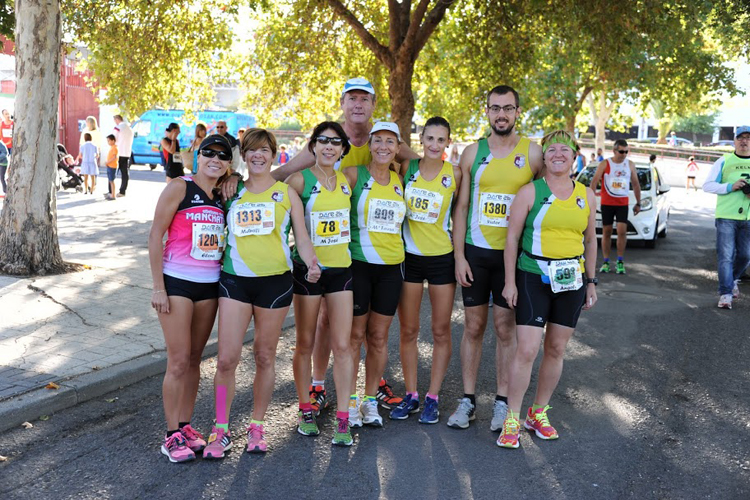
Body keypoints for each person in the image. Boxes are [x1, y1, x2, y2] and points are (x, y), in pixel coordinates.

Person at [219, 78, 418, 413]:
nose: (358, 105)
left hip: (354, 253)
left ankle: (364, 388)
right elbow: (281, 172)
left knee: (357, 332)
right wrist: (241, 179)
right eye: (352, 99)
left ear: (372, 104)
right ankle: (316, 385)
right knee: (317, 329)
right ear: (342, 103)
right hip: (304, 261)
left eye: (364, 100)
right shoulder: (325, 138)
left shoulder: (379, 140)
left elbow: (421, 162)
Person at [203, 129, 321, 458]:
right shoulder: (231, 189)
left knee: (264, 357)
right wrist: (230, 176)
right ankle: (221, 428)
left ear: (274, 154)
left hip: (275, 284)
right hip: (235, 281)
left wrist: (311, 261)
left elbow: (303, 236)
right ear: (243, 154)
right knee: (226, 359)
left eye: (264, 150)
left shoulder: (286, 194)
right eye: (251, 150)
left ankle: (257, 425)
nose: (258, 155)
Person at [496, 130, 598, 449]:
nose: (557, 154)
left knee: (555, 349)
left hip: (571, 280)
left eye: (564, 150)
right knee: (527, 349)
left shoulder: (586, 195)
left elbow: (592, 240)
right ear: (543, 156)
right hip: (532, 276)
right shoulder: (530, 192)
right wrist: (510, 282)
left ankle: (538, 413)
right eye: (550, 149)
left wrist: (591, 281)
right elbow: (511, 239)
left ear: (574, 156)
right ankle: (511, 418)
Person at [451, 85, 543, 431]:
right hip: (477, 253)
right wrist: (459, 256)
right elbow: (460, 209)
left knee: (506, 328)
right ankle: (468, 400)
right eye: (495, 108)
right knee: (473, 326)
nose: (501, 114)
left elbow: (544, 201)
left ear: (518, 112)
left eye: (508, 108)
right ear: (486, 112)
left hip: (514, 259)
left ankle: (503, 403)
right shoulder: (472, 153)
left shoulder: (533, 154)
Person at [148, 134, 233, 463]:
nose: (215, 158)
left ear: (229, 163)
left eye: (222, 155)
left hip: (209, 286)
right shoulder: (180, 187)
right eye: (208, 153)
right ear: (197, 155)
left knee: (196, 359)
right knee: (179, 360)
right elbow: (156, 234)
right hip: (177, 283)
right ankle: (170, 435)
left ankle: (184, 425)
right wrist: (158, 286)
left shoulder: (223, 195)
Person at [286, 121, 355, 446]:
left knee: (342, 345)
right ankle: (305, 409)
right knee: (305, 341)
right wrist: (310, 262)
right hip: (307, 271)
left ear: (343, 149)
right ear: (313, 145)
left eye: (335, 142)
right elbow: (296, 230)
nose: (329, 147)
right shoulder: (299, 181)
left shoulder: (346, 181)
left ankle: (343, 418)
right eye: (323, 141)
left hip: (341, 270)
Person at [391, 117, 461, 424]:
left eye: (440, 140)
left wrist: (461, 257)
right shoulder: (408, 169)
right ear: (422, 139)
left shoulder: (456, 174)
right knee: (408, 330)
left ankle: (432, 396)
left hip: (442, 258)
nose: (434, 145)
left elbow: (459, 217)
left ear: (448, 142)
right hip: (409, 257)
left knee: (440, 330)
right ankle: (411, 394)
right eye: (429, 139)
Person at [342, 121, 407, 428]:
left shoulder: (401, 179)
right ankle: (350, 401)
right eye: (377, 140)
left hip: (391, 268)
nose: (383, 146)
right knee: (354, 336)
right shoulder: (355, 175)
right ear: (370, 144)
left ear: (398, 147)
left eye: (390, 142)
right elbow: (323, 192)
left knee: (379, 338)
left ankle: (369, 401)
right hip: (358, 265)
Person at [702, 126, 750, 310]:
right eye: (741, 137)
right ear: (735, 140)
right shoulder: (724, 160)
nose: (744, 141)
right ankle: (725, 294)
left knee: (746, 256)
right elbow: (707, 185)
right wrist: (730, 186)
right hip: (726, 217)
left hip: (748, 217)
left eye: (748, 138)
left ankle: (733, 279)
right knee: (725, 257)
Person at [590, 139, 642, 274]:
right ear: (614, 151)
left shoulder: (629, 164)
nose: (624, 154)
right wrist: (590, 199)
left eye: (626, 151)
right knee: (606, 232)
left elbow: (636, 184)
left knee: (621, 232)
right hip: (607, 203)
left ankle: (620, 261)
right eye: (621, 151)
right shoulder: (605, 163)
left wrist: (638, 202)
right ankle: (606, 261)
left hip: (622, 204)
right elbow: (594, 181)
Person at [113, 114, 134, 197]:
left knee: (112, 171)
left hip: (118, 152)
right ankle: (122, 190)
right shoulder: (130, 129)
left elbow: (113, 139)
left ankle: (111, 190)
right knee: (125, 172)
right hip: (127, 153)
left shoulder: (118, 128)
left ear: (116, 120)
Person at [104, 134, 118, 200]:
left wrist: (108, 162)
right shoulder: (112, 147)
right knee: (110, 180)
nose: (108, 142)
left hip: (112, 166)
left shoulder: (115, 148)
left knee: (112, 181)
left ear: (113, 140)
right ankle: (111, 194)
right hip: (110, 166)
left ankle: (113, 195)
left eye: (109, 141)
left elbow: (115, 157)